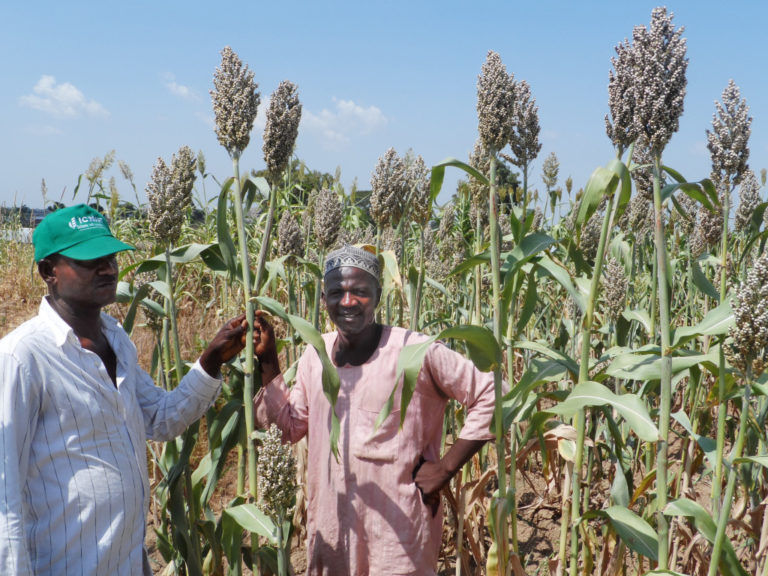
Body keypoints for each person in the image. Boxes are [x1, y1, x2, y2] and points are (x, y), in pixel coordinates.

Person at [0, 204, 250, 576]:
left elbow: (161, 420)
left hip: (126, 563)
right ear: (48, 272)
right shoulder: (22, 358)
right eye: (89, 260)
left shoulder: (117, 340)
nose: (107, 267)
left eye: (111, 256)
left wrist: (211, 361)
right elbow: (6, 498)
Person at [253, 244, 498, 576]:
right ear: (323, 299)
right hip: (332, 533)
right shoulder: (316, 355)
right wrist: (267, 361)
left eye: (360, 291)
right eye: (337, 292)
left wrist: (446, 469)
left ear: (379, 295)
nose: (348, 301)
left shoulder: (415, 351)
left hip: (397, 538)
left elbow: (494, 393)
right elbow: (289, 428)